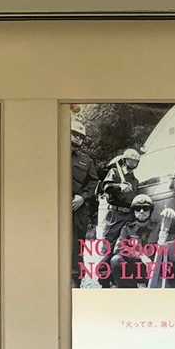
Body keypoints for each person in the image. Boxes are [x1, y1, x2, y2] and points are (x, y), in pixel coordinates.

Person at [71, 118, 102, 280]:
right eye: (74, 134)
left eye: (81, 136)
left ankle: (76, 280)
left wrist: (82, 197)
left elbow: (93, 181)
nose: (78, 138)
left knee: (77, 244)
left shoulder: (86, 160)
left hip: (78, 208)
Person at [110, 195, 157, 287]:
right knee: (116, 260)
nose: (141, 211)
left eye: (145, 208)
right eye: (138, 209)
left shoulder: (157, 227)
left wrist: (169, 213)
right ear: (134, 212)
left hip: (153, 267)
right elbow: (119, 248)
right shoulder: (127, 228)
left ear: (150, 211)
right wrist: (140, 255)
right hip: (134, 267)